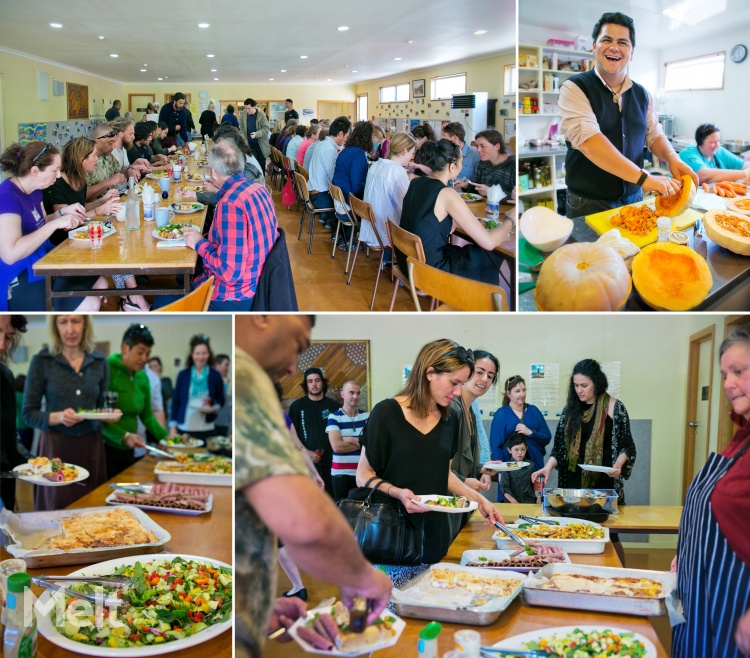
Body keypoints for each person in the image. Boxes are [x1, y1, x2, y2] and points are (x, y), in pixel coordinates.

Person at [235, 314, 392, 658]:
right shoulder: (245, 374)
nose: (294, 367)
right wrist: (364, 577)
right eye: (298, 345)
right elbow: (300, 520)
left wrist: (255, 609)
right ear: (264, 318)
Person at [356, 339, 504, 578]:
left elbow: (443, 476)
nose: (457, 392)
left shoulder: (449, 420)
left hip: (434, 535)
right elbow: (363, 475)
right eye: (454, 383)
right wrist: (399, 492)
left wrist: (480, 501)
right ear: (430, 373)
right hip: (390, 534)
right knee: (393, 610)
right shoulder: (386, 413)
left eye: (461, 384)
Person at [559, 11, 698, 217]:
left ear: (631, 53)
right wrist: (645, 178)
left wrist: (672, 157)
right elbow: (590, 143)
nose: (614, 47)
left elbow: (654, 134)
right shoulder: (574, 88)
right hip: (589, 202)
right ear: (594, 47)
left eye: (623, 42)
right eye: (607, 40)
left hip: (634, 197)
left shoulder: (643, 94)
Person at [672, 325, 750, 657]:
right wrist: (688, 552)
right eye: (724, 374)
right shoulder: (740, 439)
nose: (729, 383)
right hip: (700, 604)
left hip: (733, 609)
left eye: (739, 371)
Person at [531, 358, 636, 563]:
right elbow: (559, 450)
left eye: (584, 385)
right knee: (572, 535)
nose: (579, 390)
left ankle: (618, 573)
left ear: (596, 382)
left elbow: (628, 447)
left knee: (609, 537)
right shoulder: (570, 410)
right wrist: (547, 467)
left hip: (603, 484)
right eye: (576, 386)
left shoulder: (614, 407)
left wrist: (619, 465)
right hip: (572, 485)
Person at [22, 315, 110, 510]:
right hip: (55, 448)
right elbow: (28, 413)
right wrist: (59, 417)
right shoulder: (42, 361)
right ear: (55, 326)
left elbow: (101, 407)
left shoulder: (99, 362)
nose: (70, 329)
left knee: (91, 509)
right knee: (56, 510)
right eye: (63, 322)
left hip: (91, 446)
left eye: (76, 321)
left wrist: (108, 415)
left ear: (85, 324)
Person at [397, 139, 514, 285]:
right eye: (460, 163)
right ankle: (484, 301)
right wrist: (512, 219)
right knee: (491, 253)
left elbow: (428, 222)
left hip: (408, 260)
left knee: (470, 250)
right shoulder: (447, 193)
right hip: (428, 270)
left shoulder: (415, 182)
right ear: (452, 167)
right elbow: (489, 243)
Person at [181, 139, 278, 311]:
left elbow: (229, 272)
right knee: (183, 276)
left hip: (231, 295)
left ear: (213, 172)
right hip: (259, 283)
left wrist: (199, 242)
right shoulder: (258, 190)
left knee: (160, 301)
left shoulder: (230, 204)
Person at [0, 141, 86, 311]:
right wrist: (56, 223)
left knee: (97, 281)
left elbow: (41, 222)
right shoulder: (7, 198)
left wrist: (63, 213)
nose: (59, 175)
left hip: (40, 256)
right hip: (17, 272)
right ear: (35, 171)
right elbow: (10, 254)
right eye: (55, 170)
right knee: (87, 298)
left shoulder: (35, 190)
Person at [101, 323, 166, 479]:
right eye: (140, 352)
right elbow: (99, 415)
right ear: (125, 348)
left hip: (130, 447)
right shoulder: (107, 370)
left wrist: (164, 437)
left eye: (148, 354)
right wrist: (123, 436)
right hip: (107, 447)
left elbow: (147, 415)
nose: (145, 359)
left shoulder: (142, 377)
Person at [449, 349, 498, 492]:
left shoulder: (471, 411)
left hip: (461, 500)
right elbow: (436, 466)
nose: (484, 379)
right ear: (467, 370)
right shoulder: (452, 408)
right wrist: (464, 482)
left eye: (490, 376)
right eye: (479, 372)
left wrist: (481, 468)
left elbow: (466, 458)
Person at [361, 131, 416, 255]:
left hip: (371, 227)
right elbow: (405, 206)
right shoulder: (397, 171)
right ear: (404, 151)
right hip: (384, 230)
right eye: (412, 153)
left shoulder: (377, 164)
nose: (411, 156)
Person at [289, 367, 341, 498]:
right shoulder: (297, 407)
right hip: (306, 465)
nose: (314, 384)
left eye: (317, 380)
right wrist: (307, 452)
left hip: (332, 464)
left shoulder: (334, 407)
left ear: (322, 382)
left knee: (331, 503)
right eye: (310, 381)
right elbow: (290, 437)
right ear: (306, 385)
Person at [490, 374, 552, 477]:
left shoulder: (533, 411)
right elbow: (495, 446)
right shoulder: (501, 414)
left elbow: (547, 437)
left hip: (534, 468)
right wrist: (500, 471)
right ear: (508, 393)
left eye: (524, 390)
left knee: (533, 493)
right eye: (517, 391)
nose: (522, 394)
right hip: (510, 470)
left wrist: (531, 433)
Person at [169, 335, 225, 441]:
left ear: (209, 354)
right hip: (185, 425)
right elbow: (175, 402)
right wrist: (172, 426)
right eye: (197, 353)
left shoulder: (215, 375)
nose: (201, 357)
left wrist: (213, 408)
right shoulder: (183, 375)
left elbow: (221, 399)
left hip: (206, 426)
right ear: (192, 355)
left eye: (204, 353)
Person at [0, 315, 27, 511]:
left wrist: (35, 462)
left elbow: (10, 435)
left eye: (8, 337)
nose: (2, 345)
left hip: (5, 483)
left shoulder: (6, 376)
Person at [325, 380, 368, 502]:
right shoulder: (334, 417)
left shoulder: (367, 417)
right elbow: (337, 447)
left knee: (363, 514)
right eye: (351, 393)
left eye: (358, 393)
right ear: (342, 394)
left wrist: (348, 439)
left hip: (363, 473)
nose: (355, 396)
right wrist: (362, 443)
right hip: (341, 474)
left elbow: (372, 444)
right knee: (343, 512)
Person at [331, 120, 375, 234]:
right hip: (348, 206)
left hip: (339, 203)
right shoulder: (358, 154)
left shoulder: (346, 151)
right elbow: (356, 187)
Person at [308, 116, 352, 225]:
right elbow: (334, 178)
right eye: (346, 136)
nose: (346, 139)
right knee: (349, 206)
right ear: (341, 134)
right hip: (320, 197)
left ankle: (331, 224)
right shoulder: (329, 149)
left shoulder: (322, 144)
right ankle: (341, 235)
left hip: (314, 193)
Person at [85, 123, 142, 201]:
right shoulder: (86, 161)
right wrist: (109, 182)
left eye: (114, 142)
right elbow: (83, 195)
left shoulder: (108, 156)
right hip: (96, 208)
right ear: (97, 142)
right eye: (110, 143)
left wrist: (129, 170)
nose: (113, 146)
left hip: (111, 204)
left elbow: (120, 168)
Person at [679, 123, 750, 184]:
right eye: (712, 142)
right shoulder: (688, 154)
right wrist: (745, 174)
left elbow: (742, 165)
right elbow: (704, 176)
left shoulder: (719, 151)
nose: (717, 145)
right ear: (700, 142)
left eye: (718, 141)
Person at [455, 129, 515, 200]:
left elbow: (515, 197)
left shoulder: (513, 164)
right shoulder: (483, 162)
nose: (478, 150)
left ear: (497, 147)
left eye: (482, 146)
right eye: (477, 146)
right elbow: (476, 185)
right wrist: (466, 185)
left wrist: (491, 192)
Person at [500, 433, 537, 504]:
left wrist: (538, 497)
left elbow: (535, 483)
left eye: (523, 449)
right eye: (516, 449)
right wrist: (514, 502)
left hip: (529, 502)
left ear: (526, 449)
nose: (520, 453)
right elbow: (504, 487)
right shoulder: (506, 466)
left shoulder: (531, 465)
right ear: (509, 450)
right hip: (511, 504)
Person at [239, 98, 271, 172]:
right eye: (245, 108)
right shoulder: (243, 115)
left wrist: (256, 134)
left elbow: (266, 129)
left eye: (249, 108)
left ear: (254, 107)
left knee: (261, 164)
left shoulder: (261, 115)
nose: (247, 110)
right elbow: (241, 129)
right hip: (249, 144)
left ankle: (261, 183)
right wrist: (244, 140)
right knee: (251, 165)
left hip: (260, 145)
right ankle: (253, 182)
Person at [213, 354, 231, 437]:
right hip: (214, 421)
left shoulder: (227, 380)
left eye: (228, 365)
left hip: (225, 421)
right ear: (217, 365)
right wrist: (224, 385)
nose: (228, 368)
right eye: (226, 365)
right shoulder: (211, 380)